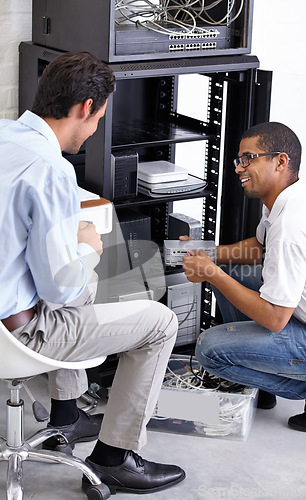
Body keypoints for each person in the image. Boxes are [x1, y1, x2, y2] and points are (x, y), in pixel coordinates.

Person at [0, 51, 185, 494]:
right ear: (86, 109)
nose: (96, 125)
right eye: (99, 116)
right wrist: (85, 244)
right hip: (21, 334)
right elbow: (59, 289)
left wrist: (68, 241)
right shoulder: (51, 170)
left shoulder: (5, 137)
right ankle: (114, 459)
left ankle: (67, 412)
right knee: (160, 322)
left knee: (88, 280)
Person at [181, 121, 306, 433]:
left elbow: (275, 318)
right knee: (233, 269)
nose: (239, 168)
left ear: (280, 161)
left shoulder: (292, 224)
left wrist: (212, 275)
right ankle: (262, 378)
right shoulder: (291, 195)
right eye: (239, 160)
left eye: (249, 158)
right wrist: (210, 256)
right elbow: (260, 248)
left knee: (209, 349)